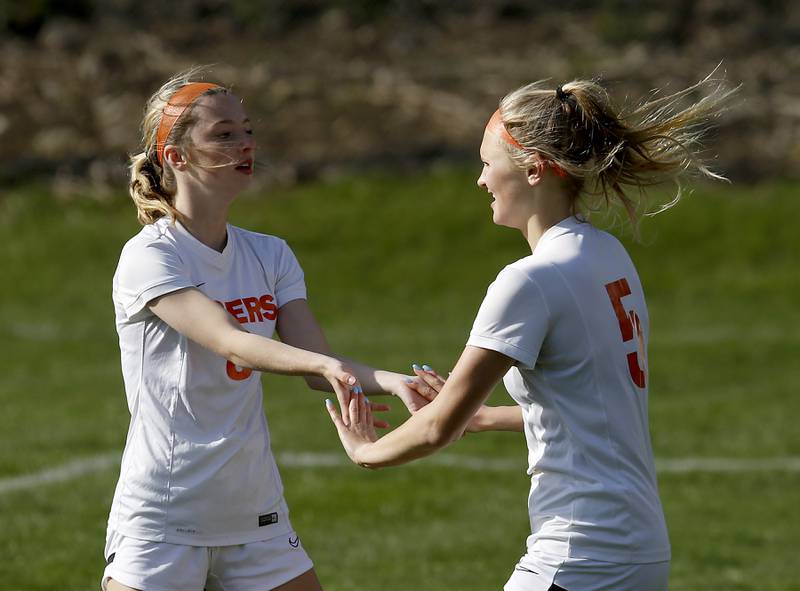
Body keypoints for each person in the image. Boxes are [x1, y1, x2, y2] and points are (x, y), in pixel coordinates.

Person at [327, 75, 735, 590]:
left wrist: (366, 451)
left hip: (579, 553)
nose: (480, 180)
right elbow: (590, 404)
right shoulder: (608, 255)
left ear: (535, 169)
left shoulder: (530, 281)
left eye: (486, 162)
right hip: (639, 551)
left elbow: (437, 428)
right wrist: (481, 417)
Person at [103, 69, 425, 591]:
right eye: (224, 134)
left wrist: (393, 381)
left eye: (247, 130)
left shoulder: (269, 253)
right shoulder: (150, 255)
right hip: (165, 514)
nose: (245, 144)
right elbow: (231, 341)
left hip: (256, 512)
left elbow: (319, 367)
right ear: (175, 157)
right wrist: (325, 365)